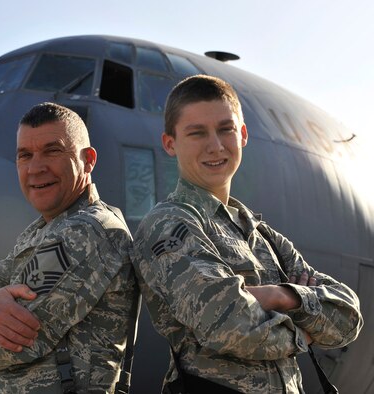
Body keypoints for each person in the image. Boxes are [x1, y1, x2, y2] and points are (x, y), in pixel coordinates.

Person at [132, 75, 363, 393]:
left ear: (242, 134)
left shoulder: (262, 235)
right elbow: (230, 325)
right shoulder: (169, 223)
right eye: (197, 133)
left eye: (225, 129)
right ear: (170, 143)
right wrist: (305, 333)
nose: (215, 146)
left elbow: (348, 317)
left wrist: (284, 296)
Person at [0, 102, 137, 393]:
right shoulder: (39, 232)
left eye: (53, 150)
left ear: (88, 160)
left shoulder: (89, 231)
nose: (36, 168)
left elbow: (6, 347)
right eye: (25, 155)